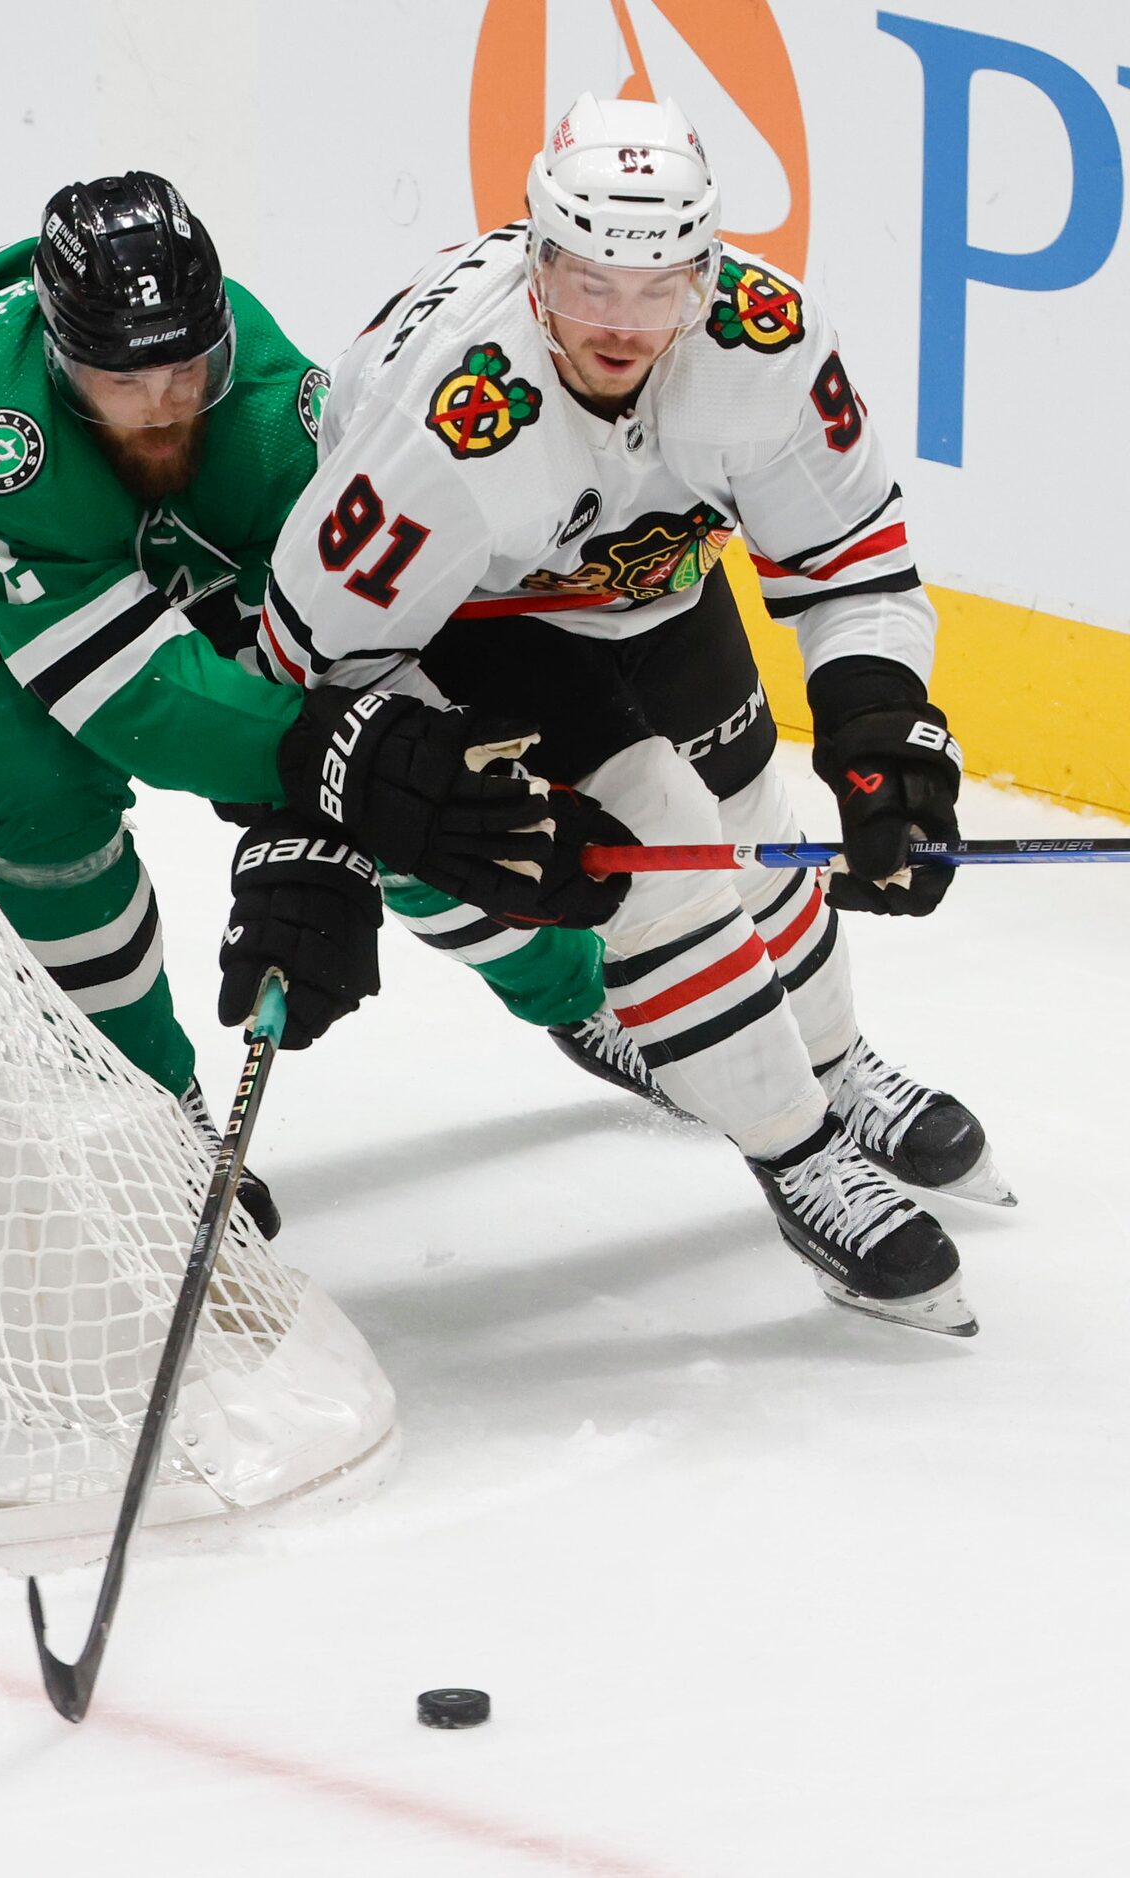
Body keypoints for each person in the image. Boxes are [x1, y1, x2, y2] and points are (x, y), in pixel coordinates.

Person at [254, 94, 1006, 1335]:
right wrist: (419, 782)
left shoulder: (762, 337)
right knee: (658, 848)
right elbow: (308, 654)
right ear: (533, 254)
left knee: (754, 808)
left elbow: (851, 560)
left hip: (652, 585)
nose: (618, 323)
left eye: (656, 289)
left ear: (705, 274)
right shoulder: (442, 419)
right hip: (467, 624)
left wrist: (877, 726)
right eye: (585, 279)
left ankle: (830, 1060)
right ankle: (794, 1147)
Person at [0, 171, 625, 1235]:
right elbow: (126, 696)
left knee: (399, 780)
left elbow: (332, 657)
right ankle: (145, 1111)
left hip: (78, 512)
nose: (163, 403)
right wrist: (317, 774)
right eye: (124, 379)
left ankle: (578, 996)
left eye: (184, 367)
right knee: (30, 773)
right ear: (64, 365)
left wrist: (347, 797)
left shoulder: (266, 409)